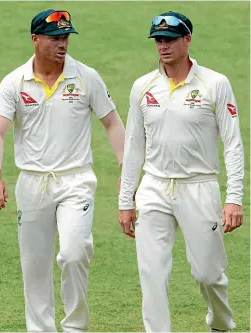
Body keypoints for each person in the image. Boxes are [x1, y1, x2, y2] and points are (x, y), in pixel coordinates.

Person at [0, 9, 125, 333]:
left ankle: (75, 327)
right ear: (35, 39)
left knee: (75, 253)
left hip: (76, 180)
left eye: (65, 37)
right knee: (34, 267)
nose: (63, 44)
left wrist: (125, 170)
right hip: (32, 184)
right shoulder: (15, 82)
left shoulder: (86, 77)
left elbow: (113, 123)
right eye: (55, 38)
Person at [119, 10, 244, 333]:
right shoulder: (143, 86)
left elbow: (233, 144)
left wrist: (234, 199)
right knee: (152, 273)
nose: (163, 46)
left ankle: (220, 323)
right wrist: (125, 200)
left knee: (208, 273)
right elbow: (134, 145)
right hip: (154, 187)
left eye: (170, 40)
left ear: (187, 39)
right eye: (159, 41)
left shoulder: (215, 84)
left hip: (199, 187)